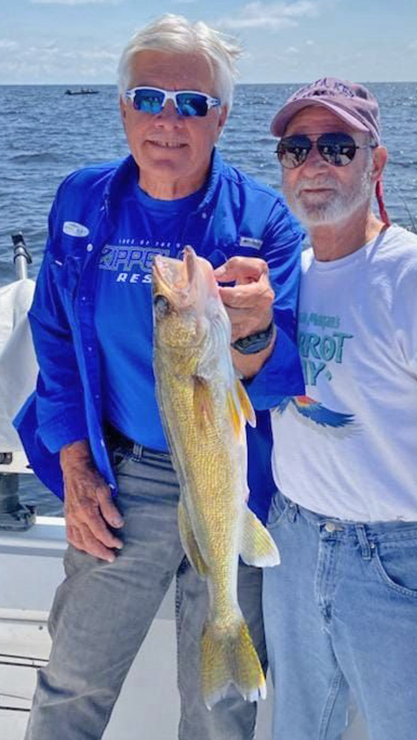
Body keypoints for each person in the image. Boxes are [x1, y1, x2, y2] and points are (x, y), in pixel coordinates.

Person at [15, 14, 304, 740]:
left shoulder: (267, 221)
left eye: (193, 104)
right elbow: (52, 336)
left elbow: (281, 381)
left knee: (220, 708)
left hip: (236, 481)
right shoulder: (81, 200)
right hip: (120, 478)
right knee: (71, 682)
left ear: (222, 117)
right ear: (121, 109)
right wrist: (76, 465)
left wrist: (258, 329)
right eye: (148, 99)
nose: (168, 121)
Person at [263, 77, 417, 740]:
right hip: (292, 542)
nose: (314, 163)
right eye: (296, 148)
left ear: (377, 160)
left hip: (400, 564)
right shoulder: (287, 276)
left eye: (338, 146)